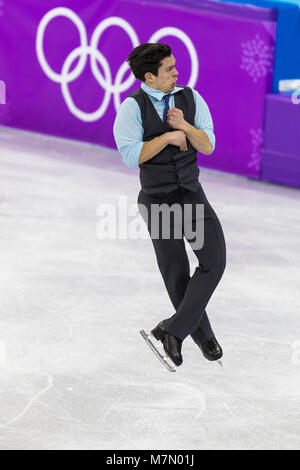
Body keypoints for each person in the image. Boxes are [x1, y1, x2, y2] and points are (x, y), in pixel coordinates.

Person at [113, 43, 226, 369]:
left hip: (191, 197)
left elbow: (208, 145)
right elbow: (130, 155)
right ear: (149, 76)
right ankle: (200, 336)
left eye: (175, 66)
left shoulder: (191, 98)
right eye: (169, 69)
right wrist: (165, 138)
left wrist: (185, 127)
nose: (177, 72)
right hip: (158, 201)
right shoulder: (132, 108)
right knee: (176, 272)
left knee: (213, 262)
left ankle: (172, 330)